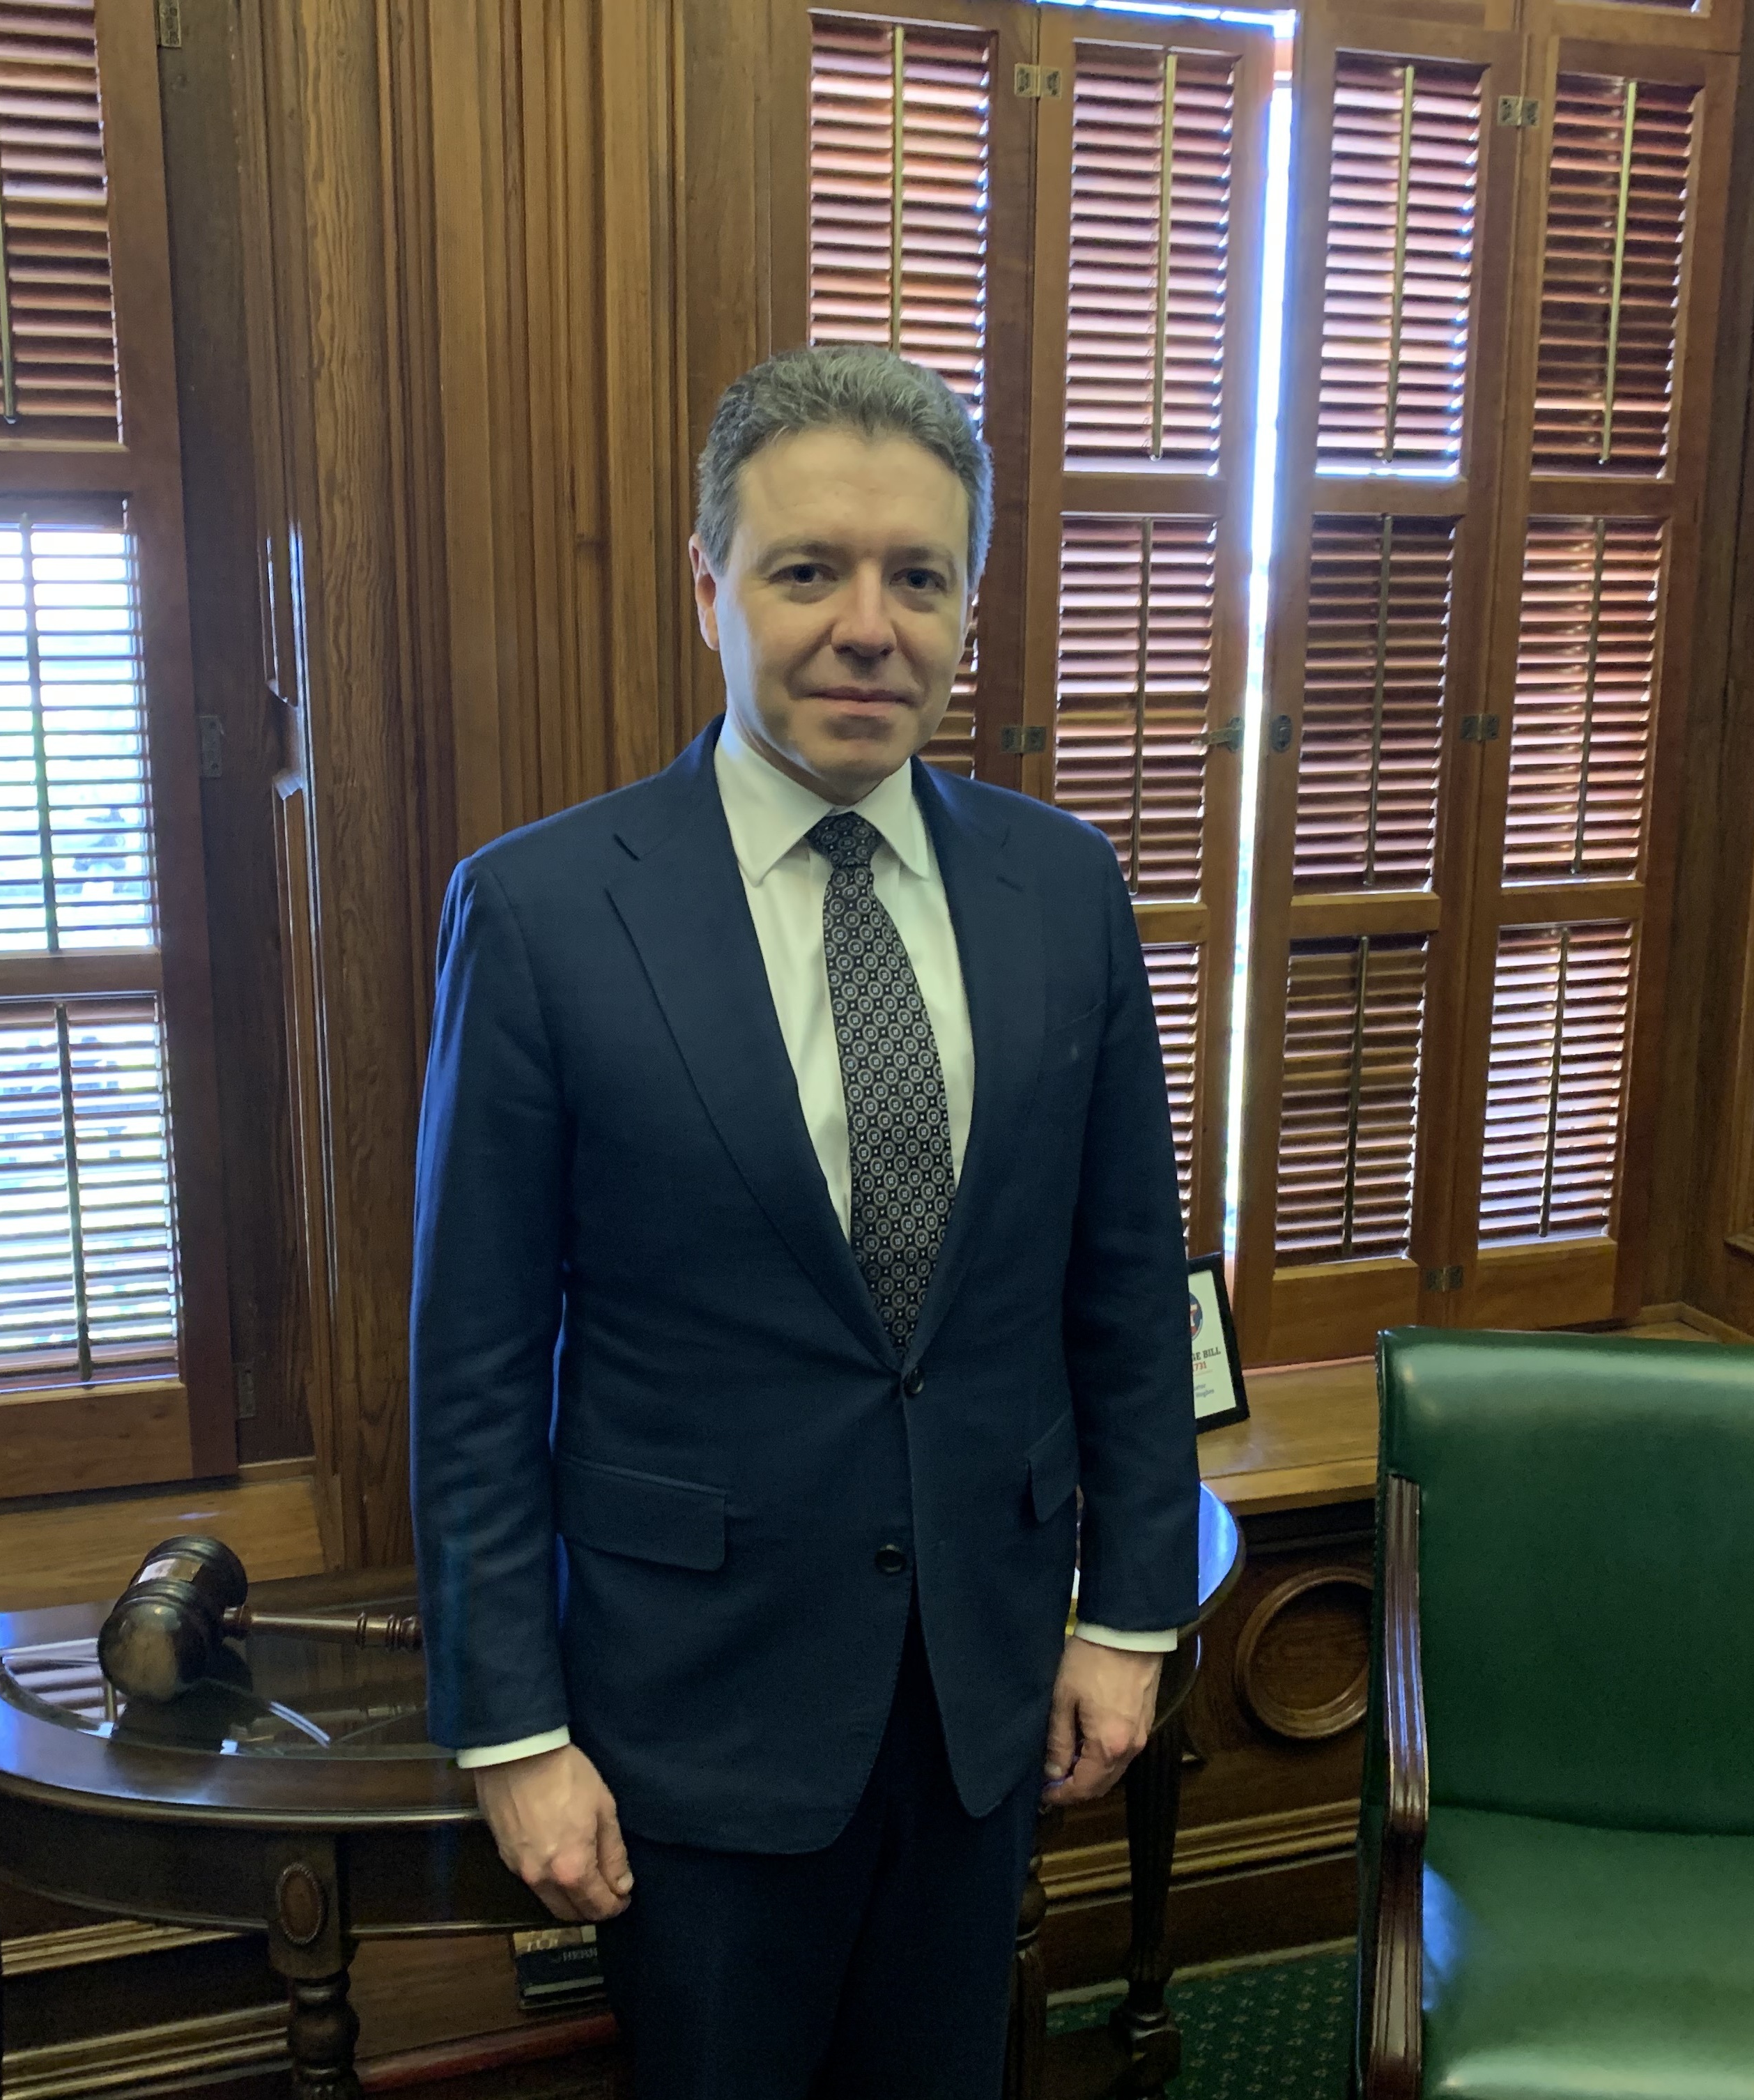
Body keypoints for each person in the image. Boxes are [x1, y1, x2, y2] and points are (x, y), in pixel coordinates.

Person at [409, 344, 1201, 2099]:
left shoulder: (1062, 890)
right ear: (709, 589)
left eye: (915, 576)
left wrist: (1127, 1616)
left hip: (984, 1692)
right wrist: (511, 1729)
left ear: (967, 603)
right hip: (690, 1709)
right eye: (806, 570)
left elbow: (1125, 1287)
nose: (867, 625)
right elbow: (471, 1364)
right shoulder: (542, 913)